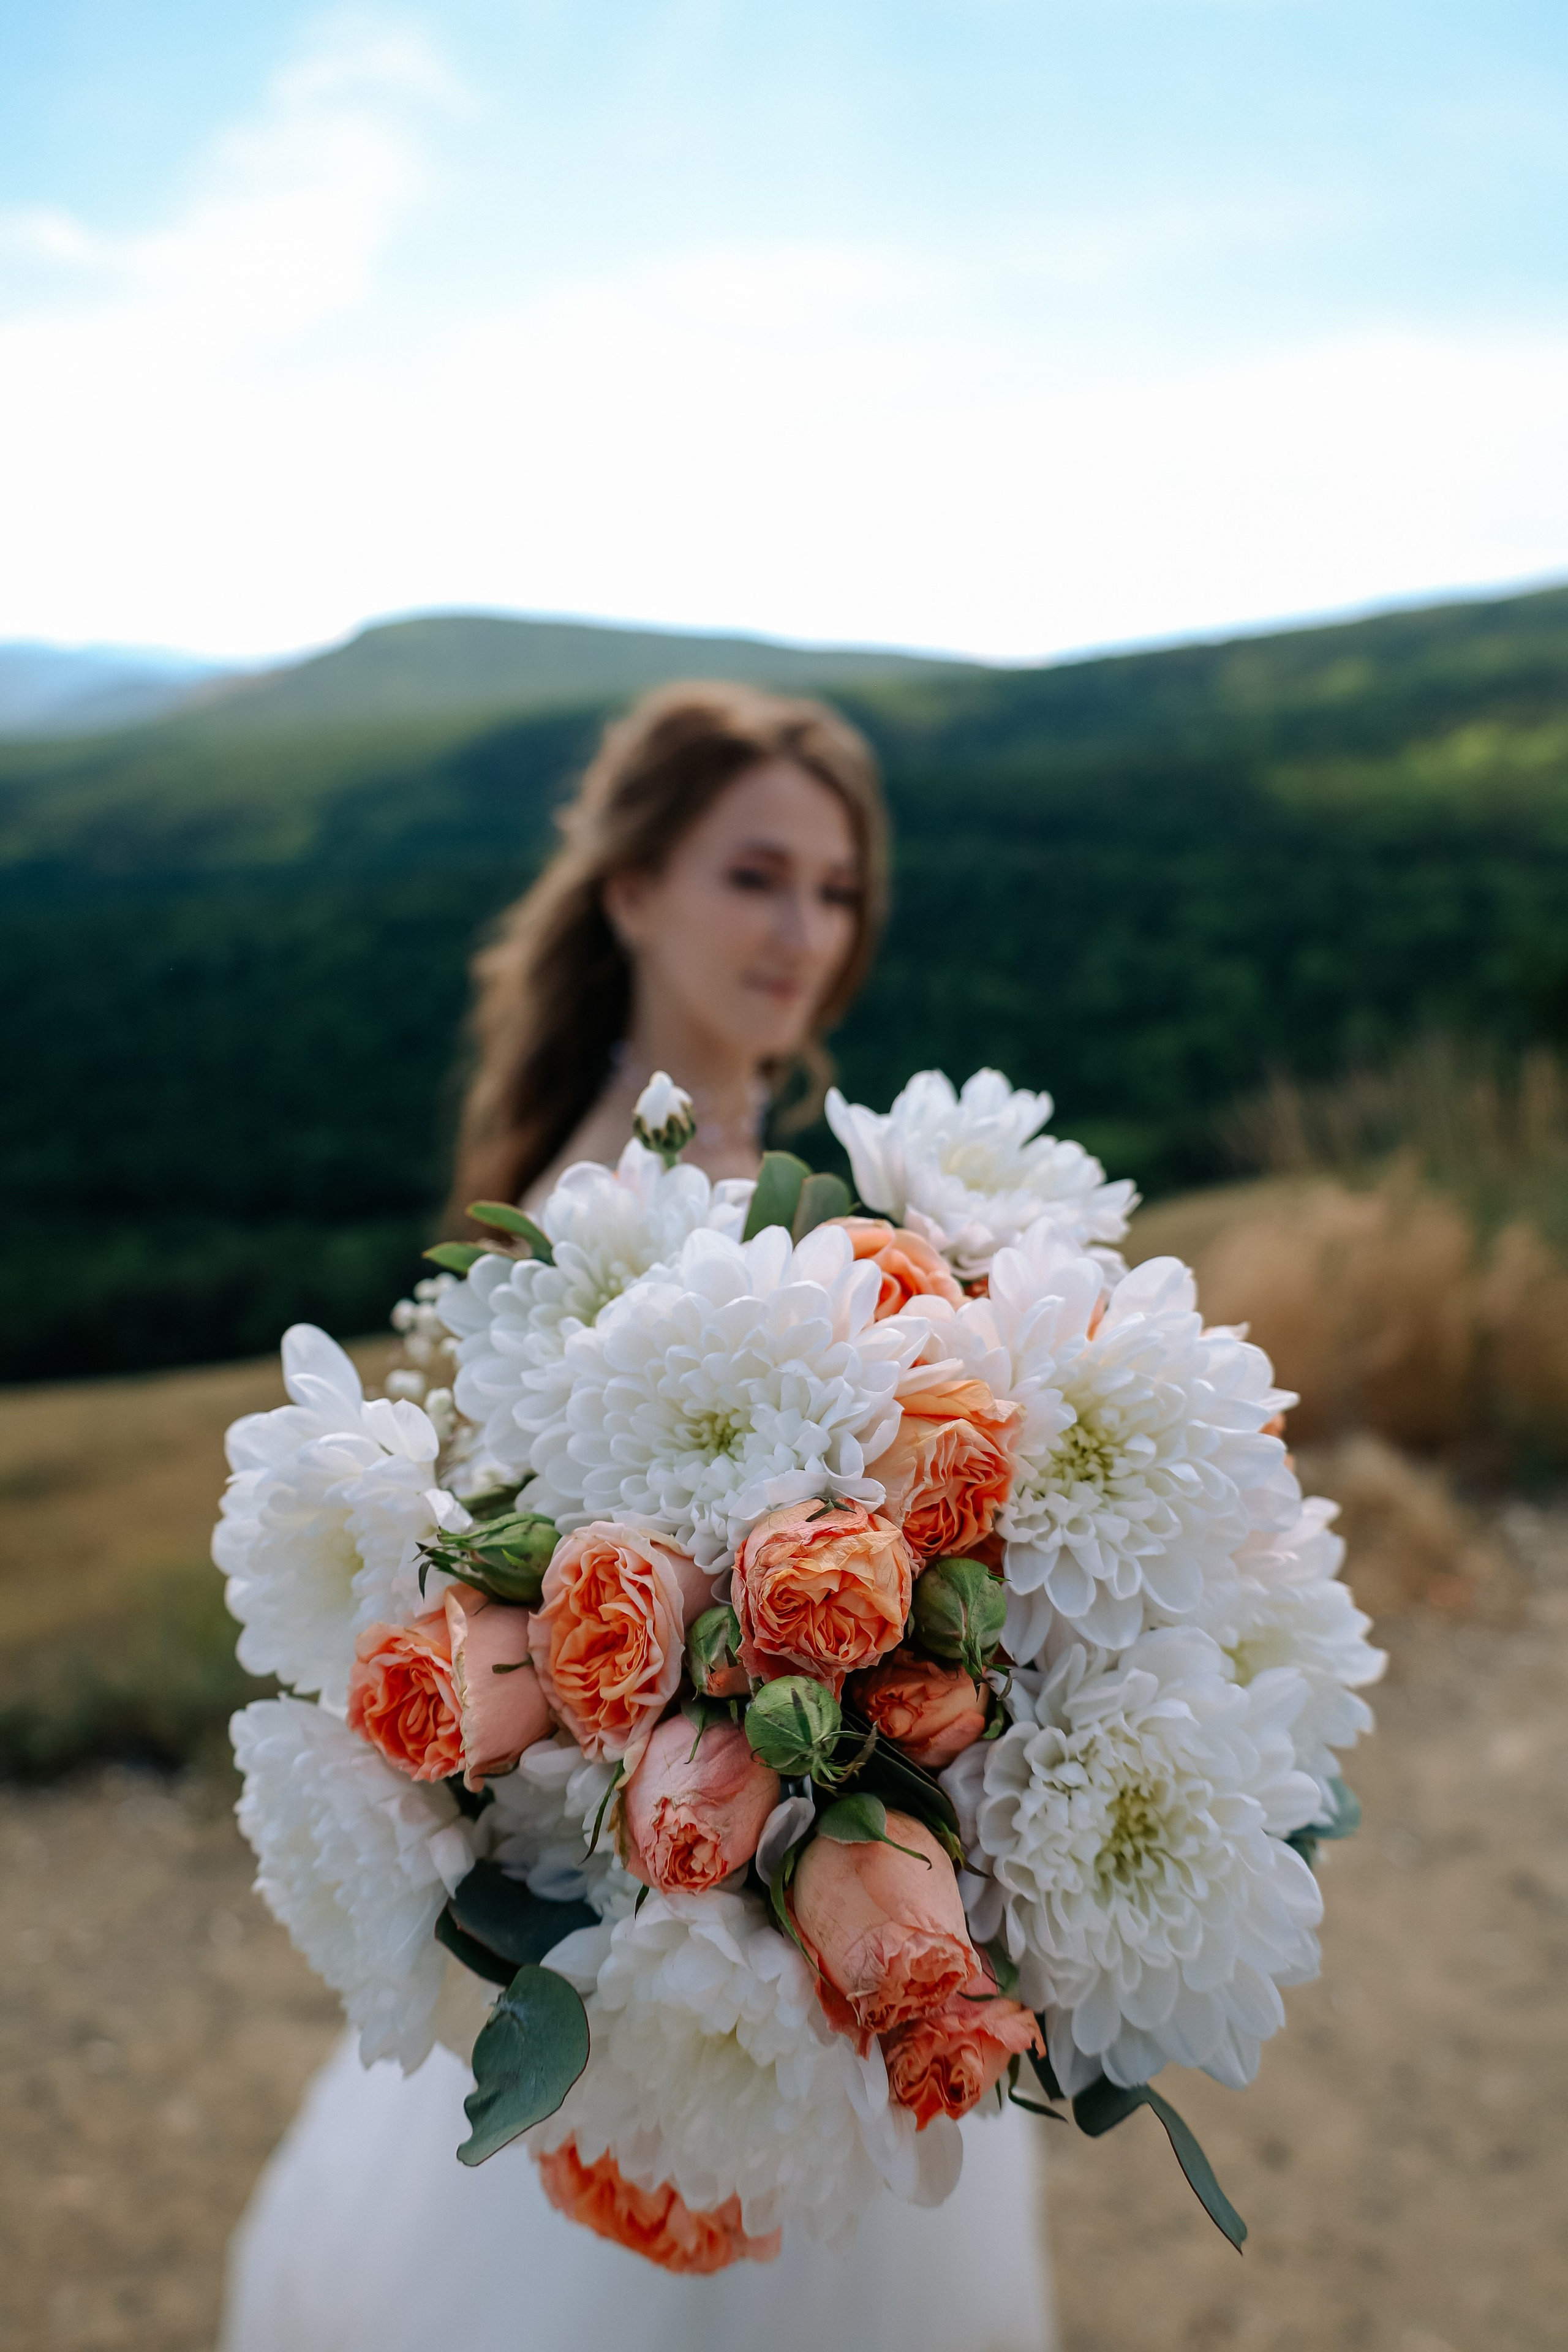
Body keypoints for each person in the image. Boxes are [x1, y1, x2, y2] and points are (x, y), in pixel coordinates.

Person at [220, 682, 1058, 2352]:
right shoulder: (579, 1214)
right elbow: (515, 1652)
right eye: (757, 877)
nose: (804, 932)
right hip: (678, 1907)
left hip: (813, 1868)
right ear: (629, 889)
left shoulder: (793, 1170)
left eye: (836, 892)